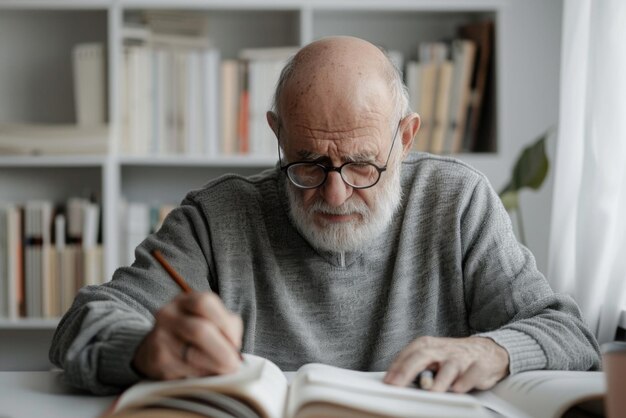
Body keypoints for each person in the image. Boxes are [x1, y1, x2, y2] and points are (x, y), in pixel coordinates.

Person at [50, 36, 600, 395]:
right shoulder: (218, 218)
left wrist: (491, 348)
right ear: (277, 134)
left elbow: (569, 334)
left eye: (362, 165)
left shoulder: (457, 203)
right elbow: (82, 324)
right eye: (308, 164)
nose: (335, 195)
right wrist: (145, 349)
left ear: (404, 139)